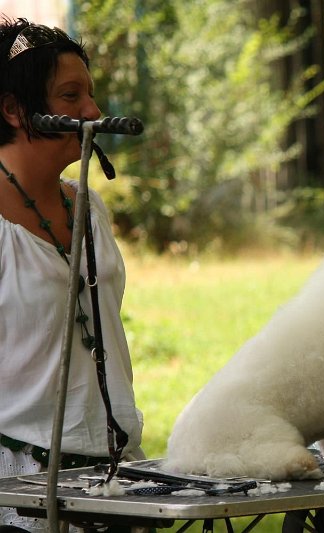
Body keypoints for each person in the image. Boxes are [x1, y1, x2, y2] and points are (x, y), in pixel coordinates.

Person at [0, 17, 144, 532]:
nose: (92, 112)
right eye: (70, 96)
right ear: (14, 110)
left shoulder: (91, 207)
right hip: (18, 491)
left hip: (115, 477)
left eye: (90, 94)